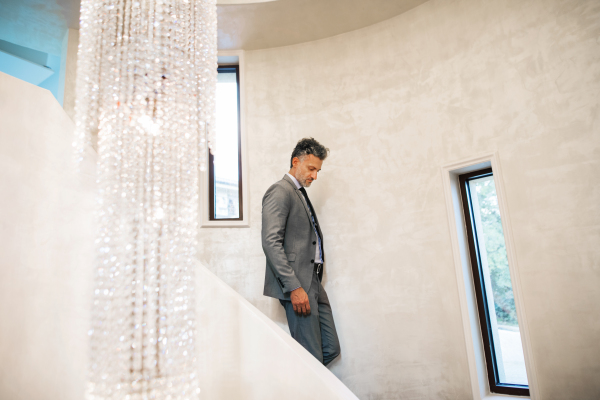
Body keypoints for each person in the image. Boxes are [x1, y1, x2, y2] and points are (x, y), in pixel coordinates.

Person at [261, 137, 341, 366]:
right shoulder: (280, 191)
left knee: (330, 348)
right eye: (311, 168)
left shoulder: (299, 192)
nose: (315, 175)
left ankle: (306, 381)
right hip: (297, 283)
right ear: (296, 161)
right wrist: (294, 287)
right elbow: (270, 242)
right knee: (311, 355)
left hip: (313, 280)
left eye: (318, 170)